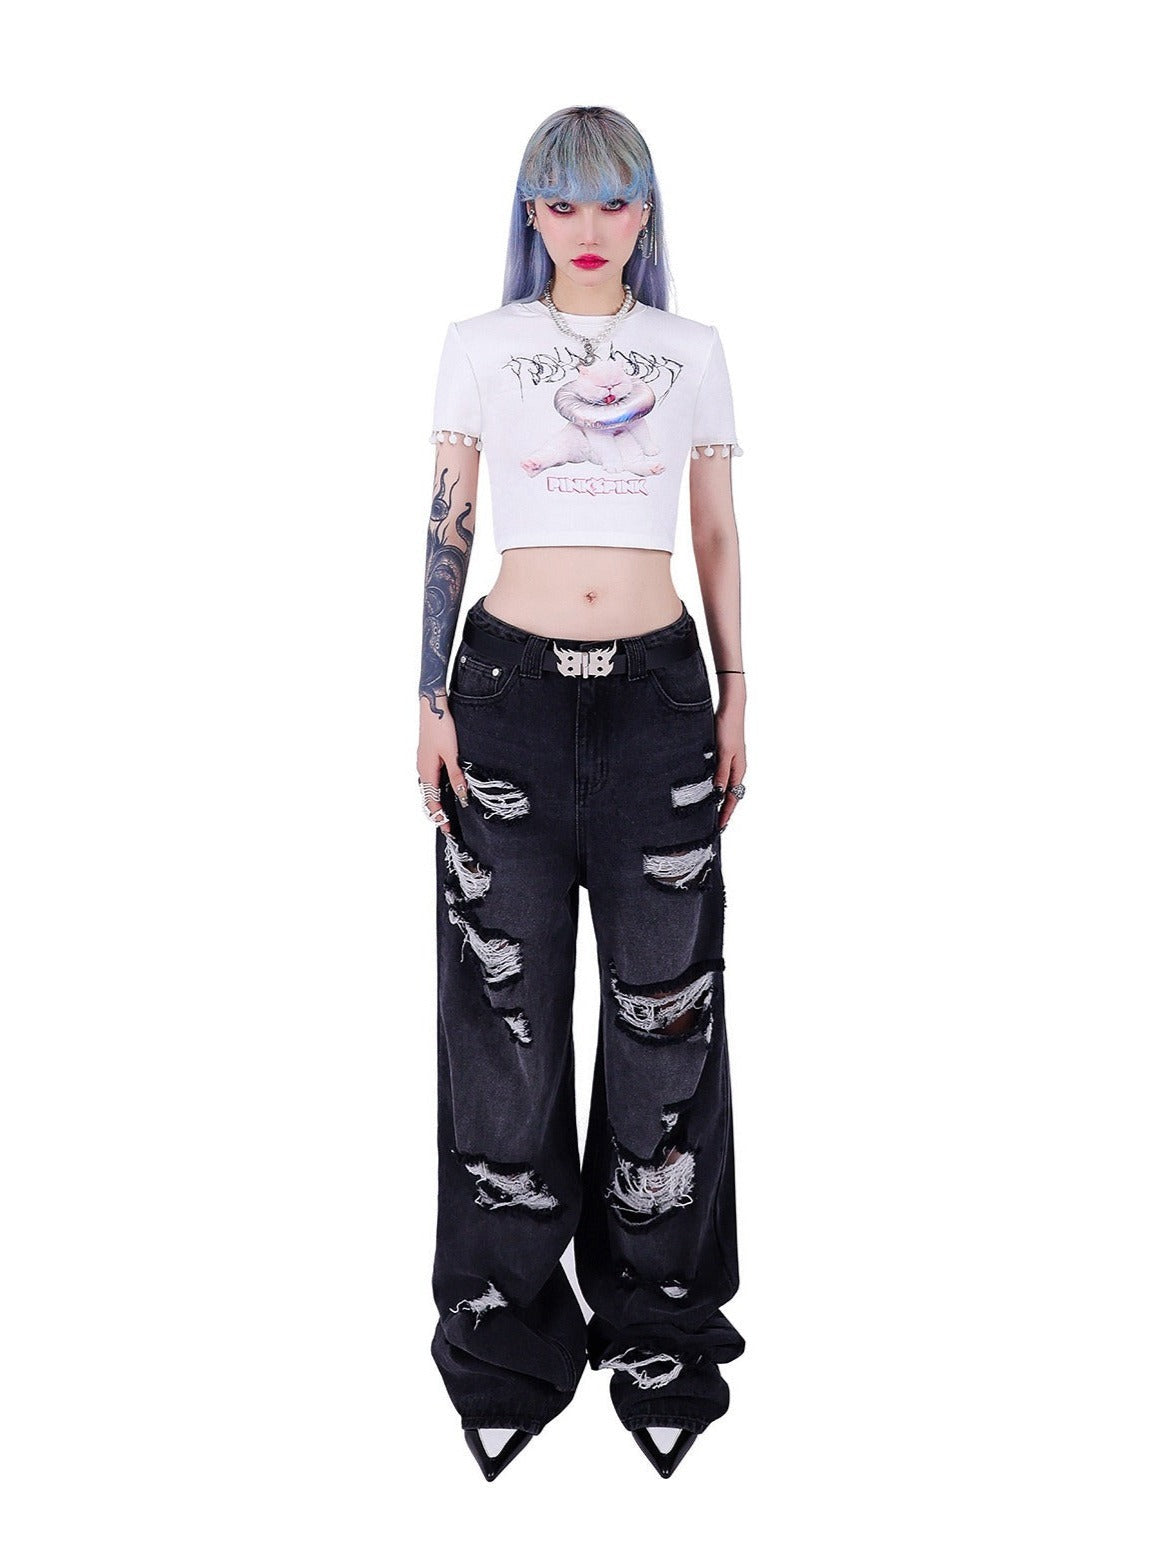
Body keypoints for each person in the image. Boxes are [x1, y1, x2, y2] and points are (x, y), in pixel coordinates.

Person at [417, 105, 748, 1481]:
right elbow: (447, 519)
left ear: (646, 213)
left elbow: (714, 527)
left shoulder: (691, 351)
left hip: (661, 699)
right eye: (564, 204)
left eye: (615, 202)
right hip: (506, 696)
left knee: (668, 1017)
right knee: (503, 1025)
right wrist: (429, 696)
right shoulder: (481, 345)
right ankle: (505, 1339)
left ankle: (662, 1330)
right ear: (532, 215)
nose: (591, 229)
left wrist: (739, 688)